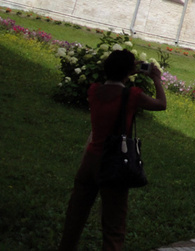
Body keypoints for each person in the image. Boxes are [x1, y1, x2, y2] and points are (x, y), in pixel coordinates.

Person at [58, 49, 167, 251]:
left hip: (89, 160)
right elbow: (161, 104)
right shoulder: (132, 95)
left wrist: (125, 70)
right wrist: (156, 79)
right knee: (114, 226)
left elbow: (114, 82)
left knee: (75, 217)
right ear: (128, 71)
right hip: (113, 162)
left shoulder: (94, 91)